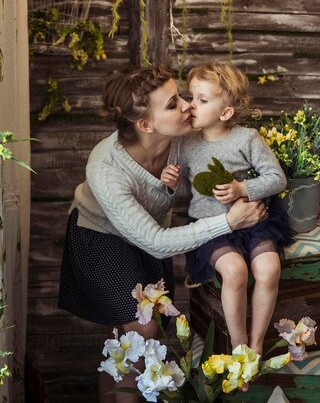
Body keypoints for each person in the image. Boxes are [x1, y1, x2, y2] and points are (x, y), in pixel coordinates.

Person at [58, 65, 267, 403]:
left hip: (152, 234)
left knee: (124, 335)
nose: (187, 105)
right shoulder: (106, 168)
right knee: (143, 331)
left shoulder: (185, 139)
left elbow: (227, 168)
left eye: (182, 96)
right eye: (173, 104)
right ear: (145, 124)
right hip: (100, 237)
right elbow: (154, 241)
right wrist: (229, 222)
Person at [161, 62, 293, 358]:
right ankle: (238, 344)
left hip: (253, 223)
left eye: (201, 100)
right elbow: (187, 191)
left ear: (226, 113)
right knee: (234, 271)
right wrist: (172, 183)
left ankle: (257, 342)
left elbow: (276, 179)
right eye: (191, 97)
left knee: (269, 269)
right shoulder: (184, 145)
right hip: (211, 229)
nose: (190, 106)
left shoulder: (246, 139)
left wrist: (242, 189)